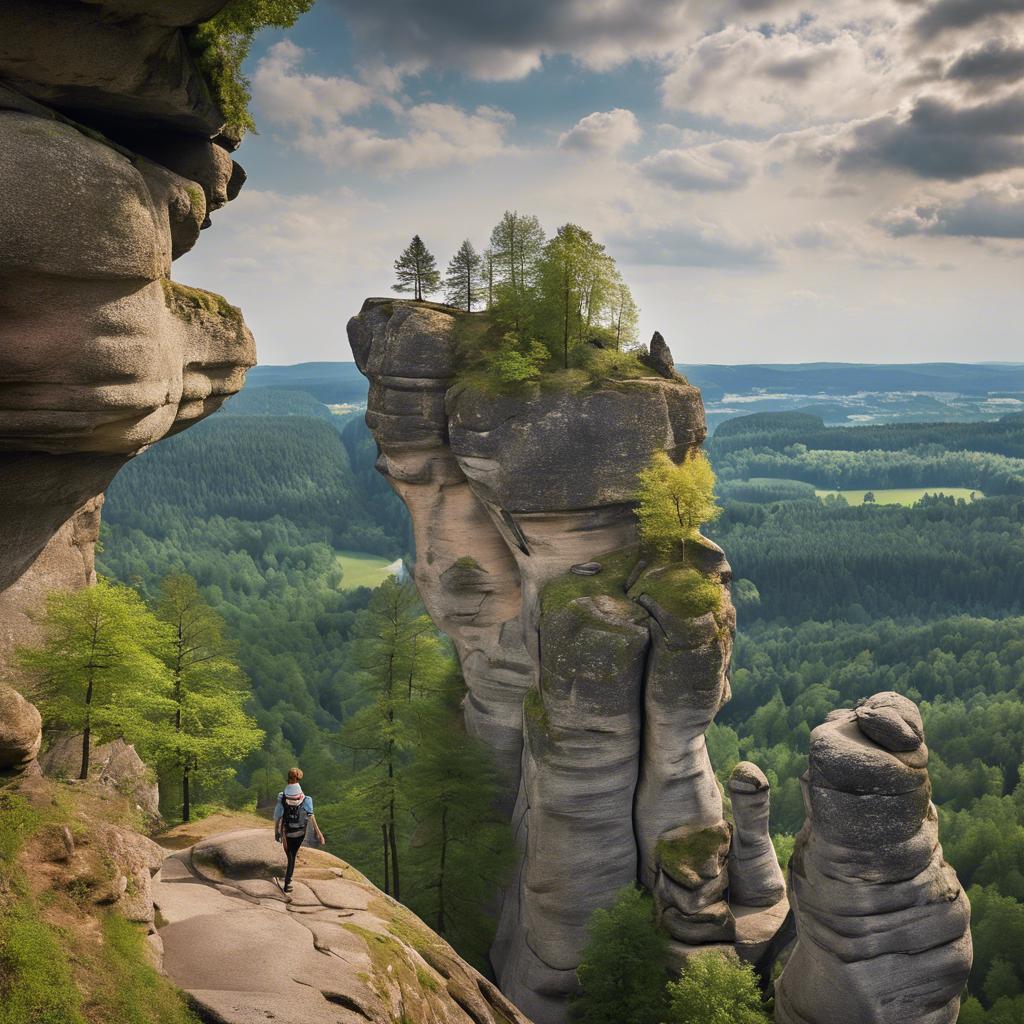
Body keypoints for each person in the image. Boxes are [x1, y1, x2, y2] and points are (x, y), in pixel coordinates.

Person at [273, 767, 325, 893]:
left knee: (290, 855)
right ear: (299, 778)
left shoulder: (282, 796)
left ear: (288, 778)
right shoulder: (307, 799)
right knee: (293, 855)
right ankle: (288, 881)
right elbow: (311, 815)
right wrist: (319, 833)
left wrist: (276, 832)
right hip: (300, 831)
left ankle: (287, 881)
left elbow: (277, 815)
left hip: (287, 830)